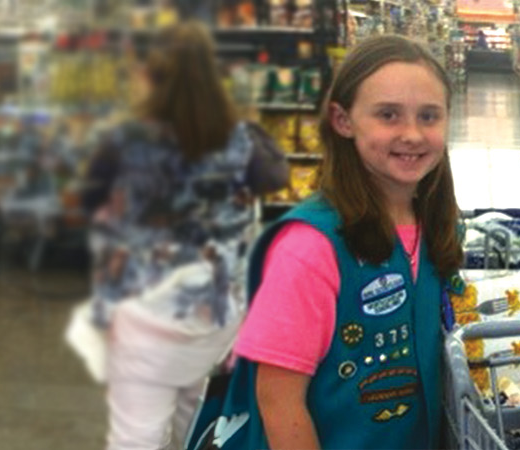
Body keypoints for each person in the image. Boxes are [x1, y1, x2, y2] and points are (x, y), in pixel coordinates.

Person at [186, 35, 463, 450]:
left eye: (429, 116)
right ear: (343, 120)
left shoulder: (436, 226)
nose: (412, 134)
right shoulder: (310, 248)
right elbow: (279, 401)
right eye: (388, 115)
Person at [80, 22, 288, 450]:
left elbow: (89, 198)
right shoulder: (241, 139)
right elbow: (276, 175)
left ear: (152, 77)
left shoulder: (125, 140)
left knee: (137, 434)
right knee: (200, 426)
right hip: (215, 317)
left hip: (144, 310)